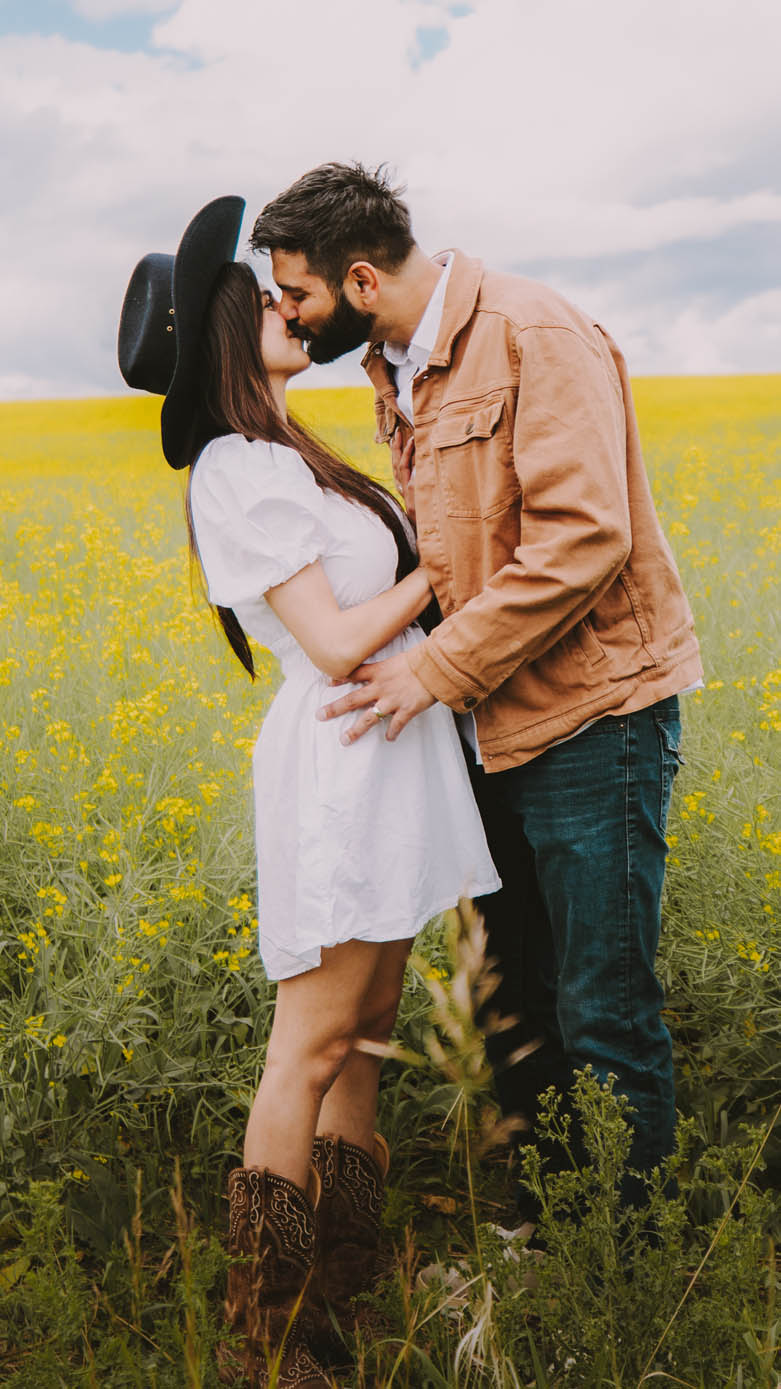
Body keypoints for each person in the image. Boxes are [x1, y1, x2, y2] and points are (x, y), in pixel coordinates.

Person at [250, 163, 704, 1216]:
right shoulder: (396, 364)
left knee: (602, 1005)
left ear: (361, 280)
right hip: (485, 729)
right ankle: (548, 1226)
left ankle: (626, 1260)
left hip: (593, 718)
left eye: (297, 293)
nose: (289, 314)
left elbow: (583, 538)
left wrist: (432, 668)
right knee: (511, 1001)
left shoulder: (530, 333)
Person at [117, 196, 500, 1388]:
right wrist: (442, 563)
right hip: (341, 757)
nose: (290, 307)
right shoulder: (237, 469)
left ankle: (341, 1285)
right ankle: (266, 1332)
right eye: (266, 301)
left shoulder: (289, 452)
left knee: (367, 1033)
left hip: (389, 755)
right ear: (224, 337)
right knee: (312, 1041)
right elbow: (333, 643)